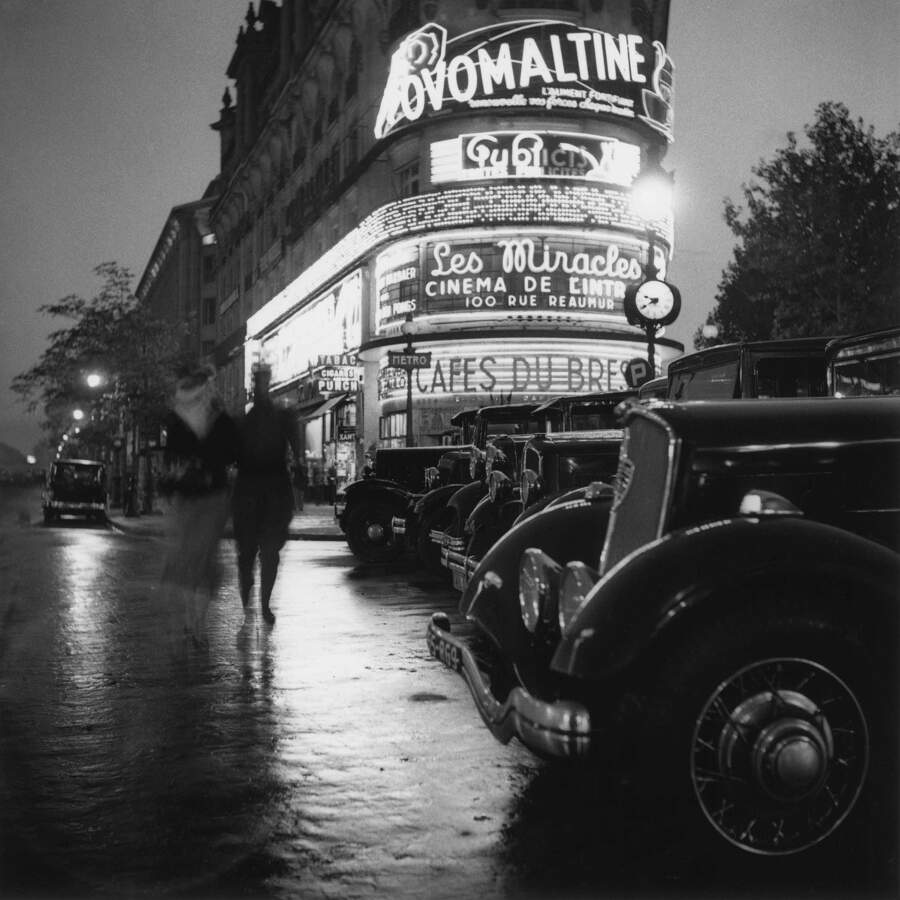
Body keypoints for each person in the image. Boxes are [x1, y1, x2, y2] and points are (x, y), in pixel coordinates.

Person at [159, 363, 239, 649]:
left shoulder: (182, 421)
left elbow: (170, 462)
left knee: (193, 560)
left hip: (198, 499)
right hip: (203, 498)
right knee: (199, 561)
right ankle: (195, 624)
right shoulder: (215, 420)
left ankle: (193, 622)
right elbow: (233, 453)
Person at [232, 362, 301, 624]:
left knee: (268, 553)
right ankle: (251, 594)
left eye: (263, 380)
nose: (260, 384)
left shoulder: (278, 417)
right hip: (253, 491)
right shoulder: (247, 421)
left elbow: (294, 442)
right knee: (249, 554)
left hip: (269, 491)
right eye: (258, 380)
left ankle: (264, 603)